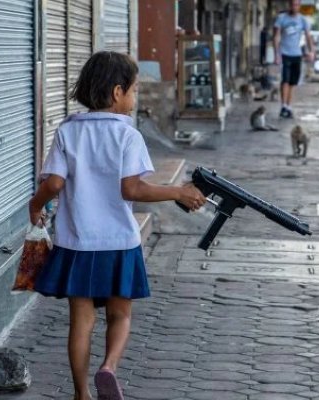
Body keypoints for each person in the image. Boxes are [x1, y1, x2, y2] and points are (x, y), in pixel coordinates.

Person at [29, 51, 206, 400]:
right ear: (116, 92)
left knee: (81, 320)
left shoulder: (68, 130)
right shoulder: (128, 136)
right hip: (118, 242)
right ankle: (108, 367)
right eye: (135, 90)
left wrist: (34, 205)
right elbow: (132, 189)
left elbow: (54, 185)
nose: (135, 97)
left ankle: (81, 394)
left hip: (77, 242)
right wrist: (178, 192)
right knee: (120, 315)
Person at [274, 0, 315, 118]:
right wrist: (277, 54)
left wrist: (311, 51)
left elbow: (308, 36)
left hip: (297, 54)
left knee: (292, 82)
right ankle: (283, 106)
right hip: (285, 53)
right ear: (289, 5)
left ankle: (288, 105)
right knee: (285, 80)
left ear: (299, 6)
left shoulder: (302, 20)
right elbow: (276, 36)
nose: (294, 7)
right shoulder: (281, 18)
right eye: (292, 4)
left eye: (297, 5)